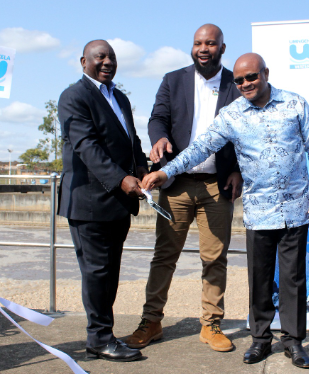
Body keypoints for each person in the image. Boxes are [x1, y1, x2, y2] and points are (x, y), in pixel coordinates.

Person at [141, 53, 309, 369]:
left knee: (294, 278)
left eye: (251, 77)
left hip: (296, 207)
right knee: (260, 279)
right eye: (239, 80)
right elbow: (201, 148)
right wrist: (166, 172)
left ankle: (294, 342)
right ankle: (260, 340)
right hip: (258, 211)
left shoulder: (295, 104)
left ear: (265, 73)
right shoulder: (232, 114)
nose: (245, 84)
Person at [125, 24, 243, 352]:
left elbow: (245, 136)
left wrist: (237, 171)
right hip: (175, 184)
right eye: (197, 43)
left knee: (215, 258)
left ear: (222, 47)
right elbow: (157, 118)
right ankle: (151, 321)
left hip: (217, 186)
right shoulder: (173, 80)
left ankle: (211, 324)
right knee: (164, 256)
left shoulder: (237, 85)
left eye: (210, 43)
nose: (203, 48)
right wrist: (159, 138)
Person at [58, 40, 148, 362]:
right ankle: (99, 339)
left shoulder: (119, 96)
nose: (107, 61)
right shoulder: (74, 96)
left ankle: (103, 335)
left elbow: (131, 139)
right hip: (89, 203)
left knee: (109, 272)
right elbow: (87, 146)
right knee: (96, 272)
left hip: (117, 205)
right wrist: (122, 180)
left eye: (111, 56)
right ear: (84, 61)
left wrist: (141, 168)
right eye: (100, 56)